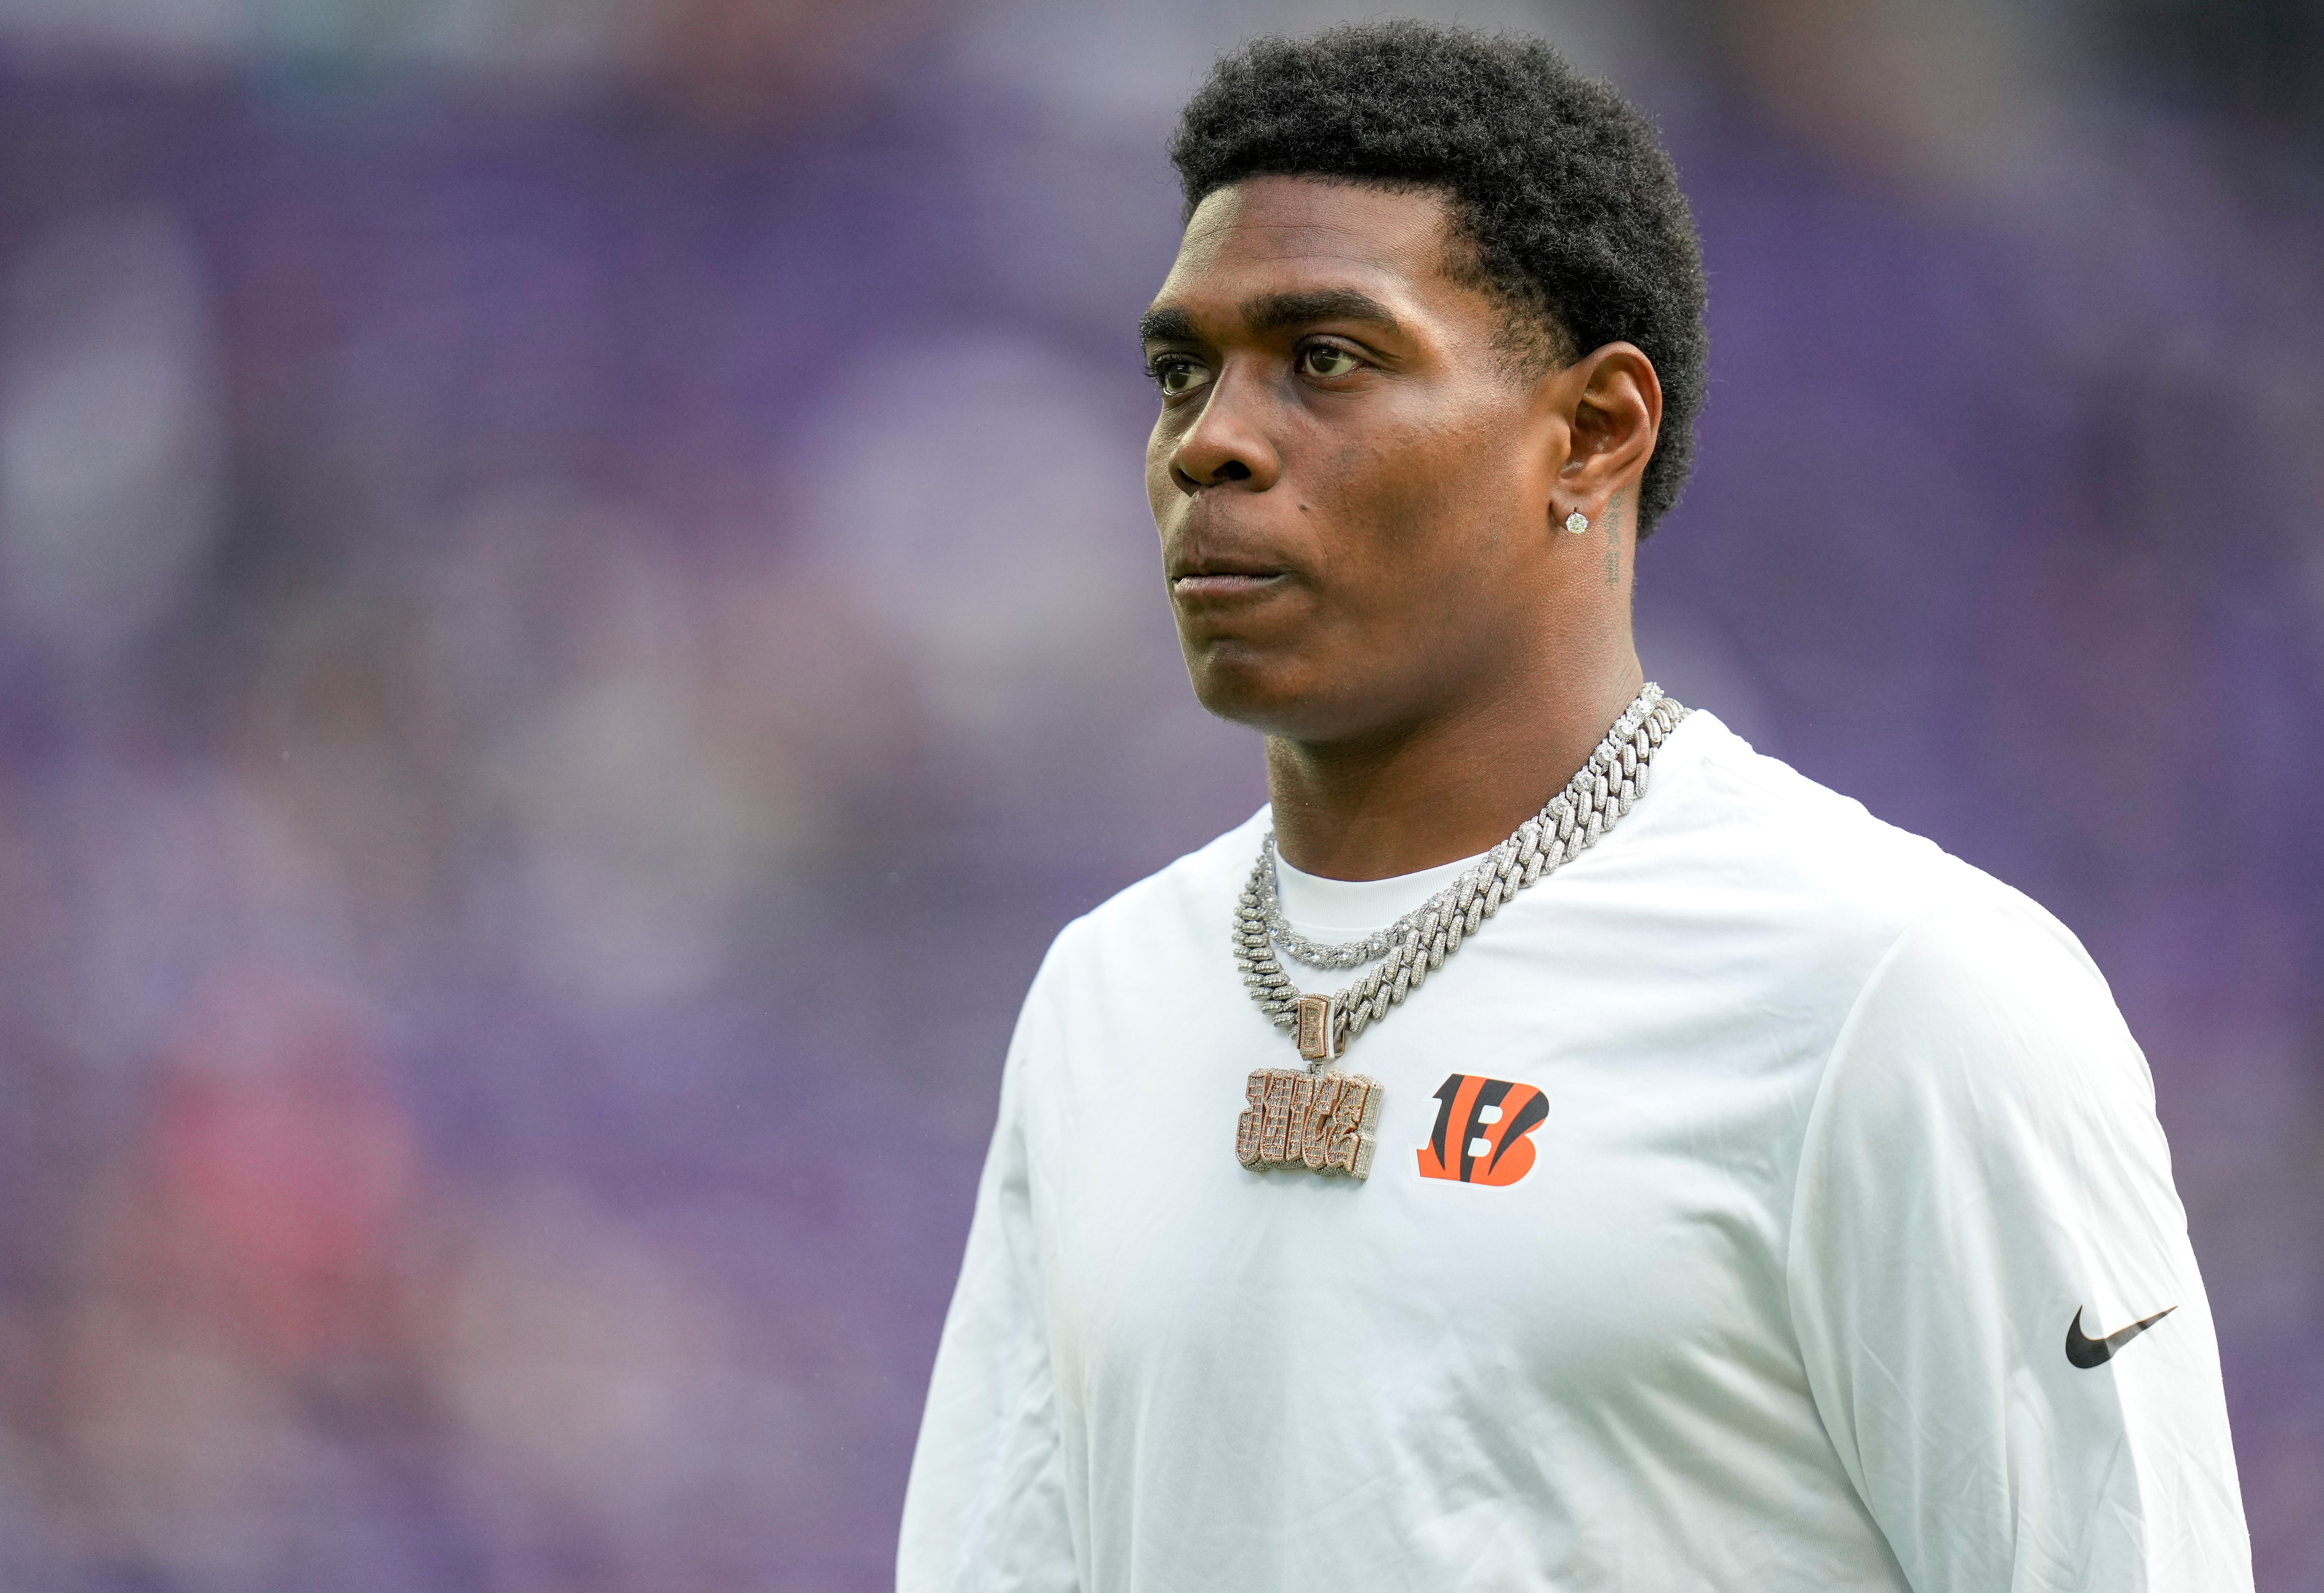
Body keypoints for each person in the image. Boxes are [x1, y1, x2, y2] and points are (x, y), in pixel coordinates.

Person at [896, 21, 2250, 1591]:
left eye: (1327, 359)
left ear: (1595, 432)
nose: (1214, 444)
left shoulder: (1901, 991)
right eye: (1181, 373)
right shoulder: (1105, 996)